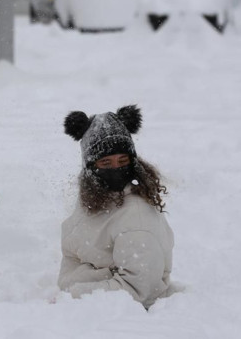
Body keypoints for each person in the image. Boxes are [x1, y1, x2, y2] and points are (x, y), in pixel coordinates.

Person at [58, 105, 174, 309]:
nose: (116, 169)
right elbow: (72, 253)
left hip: (121, 317)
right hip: (84, 309)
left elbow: (139, 289)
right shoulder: (96, 202)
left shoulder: (136, 219)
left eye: (122, 160)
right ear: (90, 167)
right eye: (106, 163)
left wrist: (74, 294)